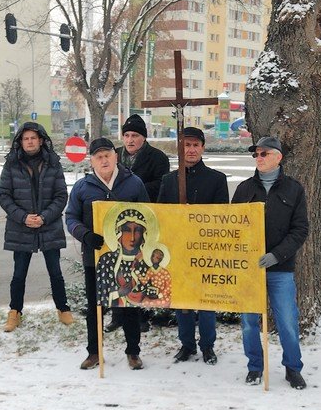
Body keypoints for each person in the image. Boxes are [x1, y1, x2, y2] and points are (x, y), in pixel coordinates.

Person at [64, 137, 151, 370]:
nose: (104, 160)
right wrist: (84, 234)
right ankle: (94, 352)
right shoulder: (83, 187)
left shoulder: (133, 183)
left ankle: (133, 351)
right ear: (91, 161)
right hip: (95, 257)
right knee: (95, 306)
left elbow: (148, 213)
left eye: (107, 155)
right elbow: (70, 217)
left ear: (115, 156)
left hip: (128, 258)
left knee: (130, 304)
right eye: (99, 157)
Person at [232, 136, 310, 389]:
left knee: (287, 320)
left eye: (264, 154)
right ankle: (255, 366)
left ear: (278, 157)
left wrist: (277, 255)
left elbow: (300, 229)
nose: (259, 158)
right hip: (249, 270)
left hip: (280, 269)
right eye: (256, 154)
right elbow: (232, 226)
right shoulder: (244, 189)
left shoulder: (294, 189)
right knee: (249, 322)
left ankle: (292, 367)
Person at [158, 126, 230, 365]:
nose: (190, 150)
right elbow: (160, 216)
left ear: (202, 148)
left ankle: (208, 346)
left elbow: (222, 216)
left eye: (195, 145)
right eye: (186, 145)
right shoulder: (168, 180)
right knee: (182, 301)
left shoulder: (216, 179)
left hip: (205, 251)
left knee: (207, 301)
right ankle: (187, 344)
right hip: (177, 251)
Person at [0, 121, 71, 332]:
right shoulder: (11, 164)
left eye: (33, 138)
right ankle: (15, 312)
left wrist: (45, 217)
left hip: (49, 226)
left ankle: (63, 309)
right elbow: (3, 195)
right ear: (20, 141)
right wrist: (23, 217)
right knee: (19, 273)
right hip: (21, 227)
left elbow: (61, 195)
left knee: (55, 271)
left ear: (40, 140)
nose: (29, 142)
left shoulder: (53, 163)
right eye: (25, 138)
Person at [112, 113, 170, 334]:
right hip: (119, 219)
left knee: (141, 268)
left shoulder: (157, 158)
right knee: (120, 267)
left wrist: (136, 187)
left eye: (135, 135)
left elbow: (161, 184)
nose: (130, 139)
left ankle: (143, 315)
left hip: (145, 219)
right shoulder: (115, 155)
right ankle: (118, 314)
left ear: (143, 137)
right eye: (126, 135)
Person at [95, 207, 171, 307]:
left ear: (144, 234)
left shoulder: (147, 262)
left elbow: (160, 292)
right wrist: (118, 293)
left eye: (137, 230)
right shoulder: (107, 260)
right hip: (117, 313)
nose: (132, 238)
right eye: (127, 230)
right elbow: (101, 294)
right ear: (118, 233)